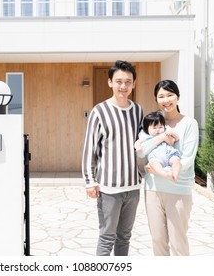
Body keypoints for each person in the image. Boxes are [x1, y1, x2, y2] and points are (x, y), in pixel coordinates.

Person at [81, 60, 144, 256]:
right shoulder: (99, 111)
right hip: (109, 189)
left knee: (125, 237)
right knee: (107, 237)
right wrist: (90, 181)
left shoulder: (138, 111)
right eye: (119, 81)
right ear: (110, 82)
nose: (123, 86)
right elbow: (89, 149)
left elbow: (143, 142)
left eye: (128, 82)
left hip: (133, 187)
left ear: (133, 84)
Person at [137, 80, 199, 256]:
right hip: (153, 190)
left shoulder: (189, 123)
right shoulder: (153, 124)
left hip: (178, 188)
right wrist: (161, 138)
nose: (166, 100)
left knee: (178, 242)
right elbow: (141, 153)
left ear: (178, 97)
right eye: (161, 96)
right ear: (156, 100)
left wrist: (163, 172)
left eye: (170, 95)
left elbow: (187, 159)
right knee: (158, 241)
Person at [134, 111, 181, 182]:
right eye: (154, 128)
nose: (158, 130)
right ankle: (164, 174)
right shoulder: (147, 136)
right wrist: (138, 147)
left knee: (176, 160)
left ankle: (175, 174)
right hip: (155, 157)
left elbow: (177, 139)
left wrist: (172, 134)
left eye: (160, 127)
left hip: (169, 153)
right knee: (154, 163)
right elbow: (138, 142)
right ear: (147, 129)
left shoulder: (167, 132)